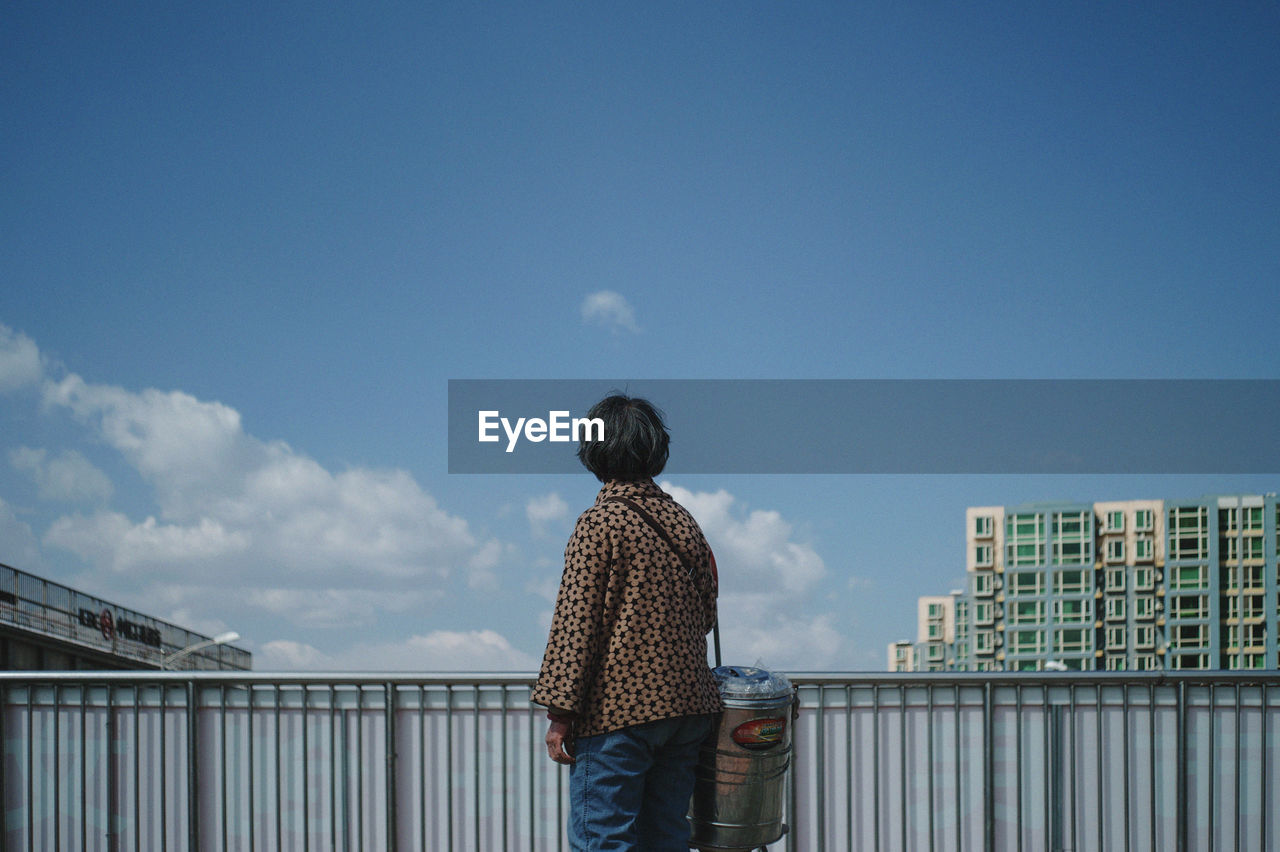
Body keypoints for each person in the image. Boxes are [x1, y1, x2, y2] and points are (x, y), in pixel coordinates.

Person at [532, 394, 722, 851]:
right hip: (688, 708)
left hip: (619, 712)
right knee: (668, 835)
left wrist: (560, 714)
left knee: (604, 838)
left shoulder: (600, 523)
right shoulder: (684, 522)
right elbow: (707, 614)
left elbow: (575, 626)